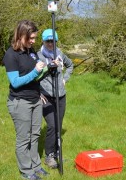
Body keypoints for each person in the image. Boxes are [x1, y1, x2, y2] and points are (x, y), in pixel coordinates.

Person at [3, 20, 49, 180]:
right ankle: (26, 171)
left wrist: (47, 69)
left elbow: (36, 76)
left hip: (35, 99)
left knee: (35, 135)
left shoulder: (31, 51)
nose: (33, 41)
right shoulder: (11, 55)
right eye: (30, 38)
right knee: (24, 138)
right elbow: (15, 82)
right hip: (20, 101)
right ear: (21, 35)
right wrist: (36, 72)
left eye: (35, 38)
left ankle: (36, 166)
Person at [38, 29, 73, 169]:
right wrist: (37, 91)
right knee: (52, 125)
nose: (50, 44)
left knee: (58, 125)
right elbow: (33, 76)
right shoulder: (37, 56)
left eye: (53, 41)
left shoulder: (60, 54)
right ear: (43, 41)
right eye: (48, 41)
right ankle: (49, 156)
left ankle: (58, 152)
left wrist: (65, 79)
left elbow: (70, 65)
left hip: (61, 96)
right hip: (46, 96)